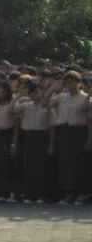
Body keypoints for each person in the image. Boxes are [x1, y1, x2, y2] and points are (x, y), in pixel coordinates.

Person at [51, 71, 88, 203]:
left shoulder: (85, 97)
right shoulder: (62, 96)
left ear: (79, 83)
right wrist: (52, 88)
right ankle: (69, 192)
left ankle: (82, 193)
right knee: (66, 163)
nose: (70, 85)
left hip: (79, 131)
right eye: (67, 83)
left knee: (80, 163)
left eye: (73, 82)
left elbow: (86, 114)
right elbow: (46, 104)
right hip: (64, 130)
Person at [16, 79, 52, 205]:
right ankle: (29, 194)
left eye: (37, 92)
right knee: (28, 166)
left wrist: (51, 144)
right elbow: (12, 111)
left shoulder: (47, 106)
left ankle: (42, 194)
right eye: (32, 92)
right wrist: (20, 96)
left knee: (41, 167)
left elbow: (51, 126)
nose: (35, 95)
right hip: (28, 137)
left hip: (42, 137)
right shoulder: (26, 105)